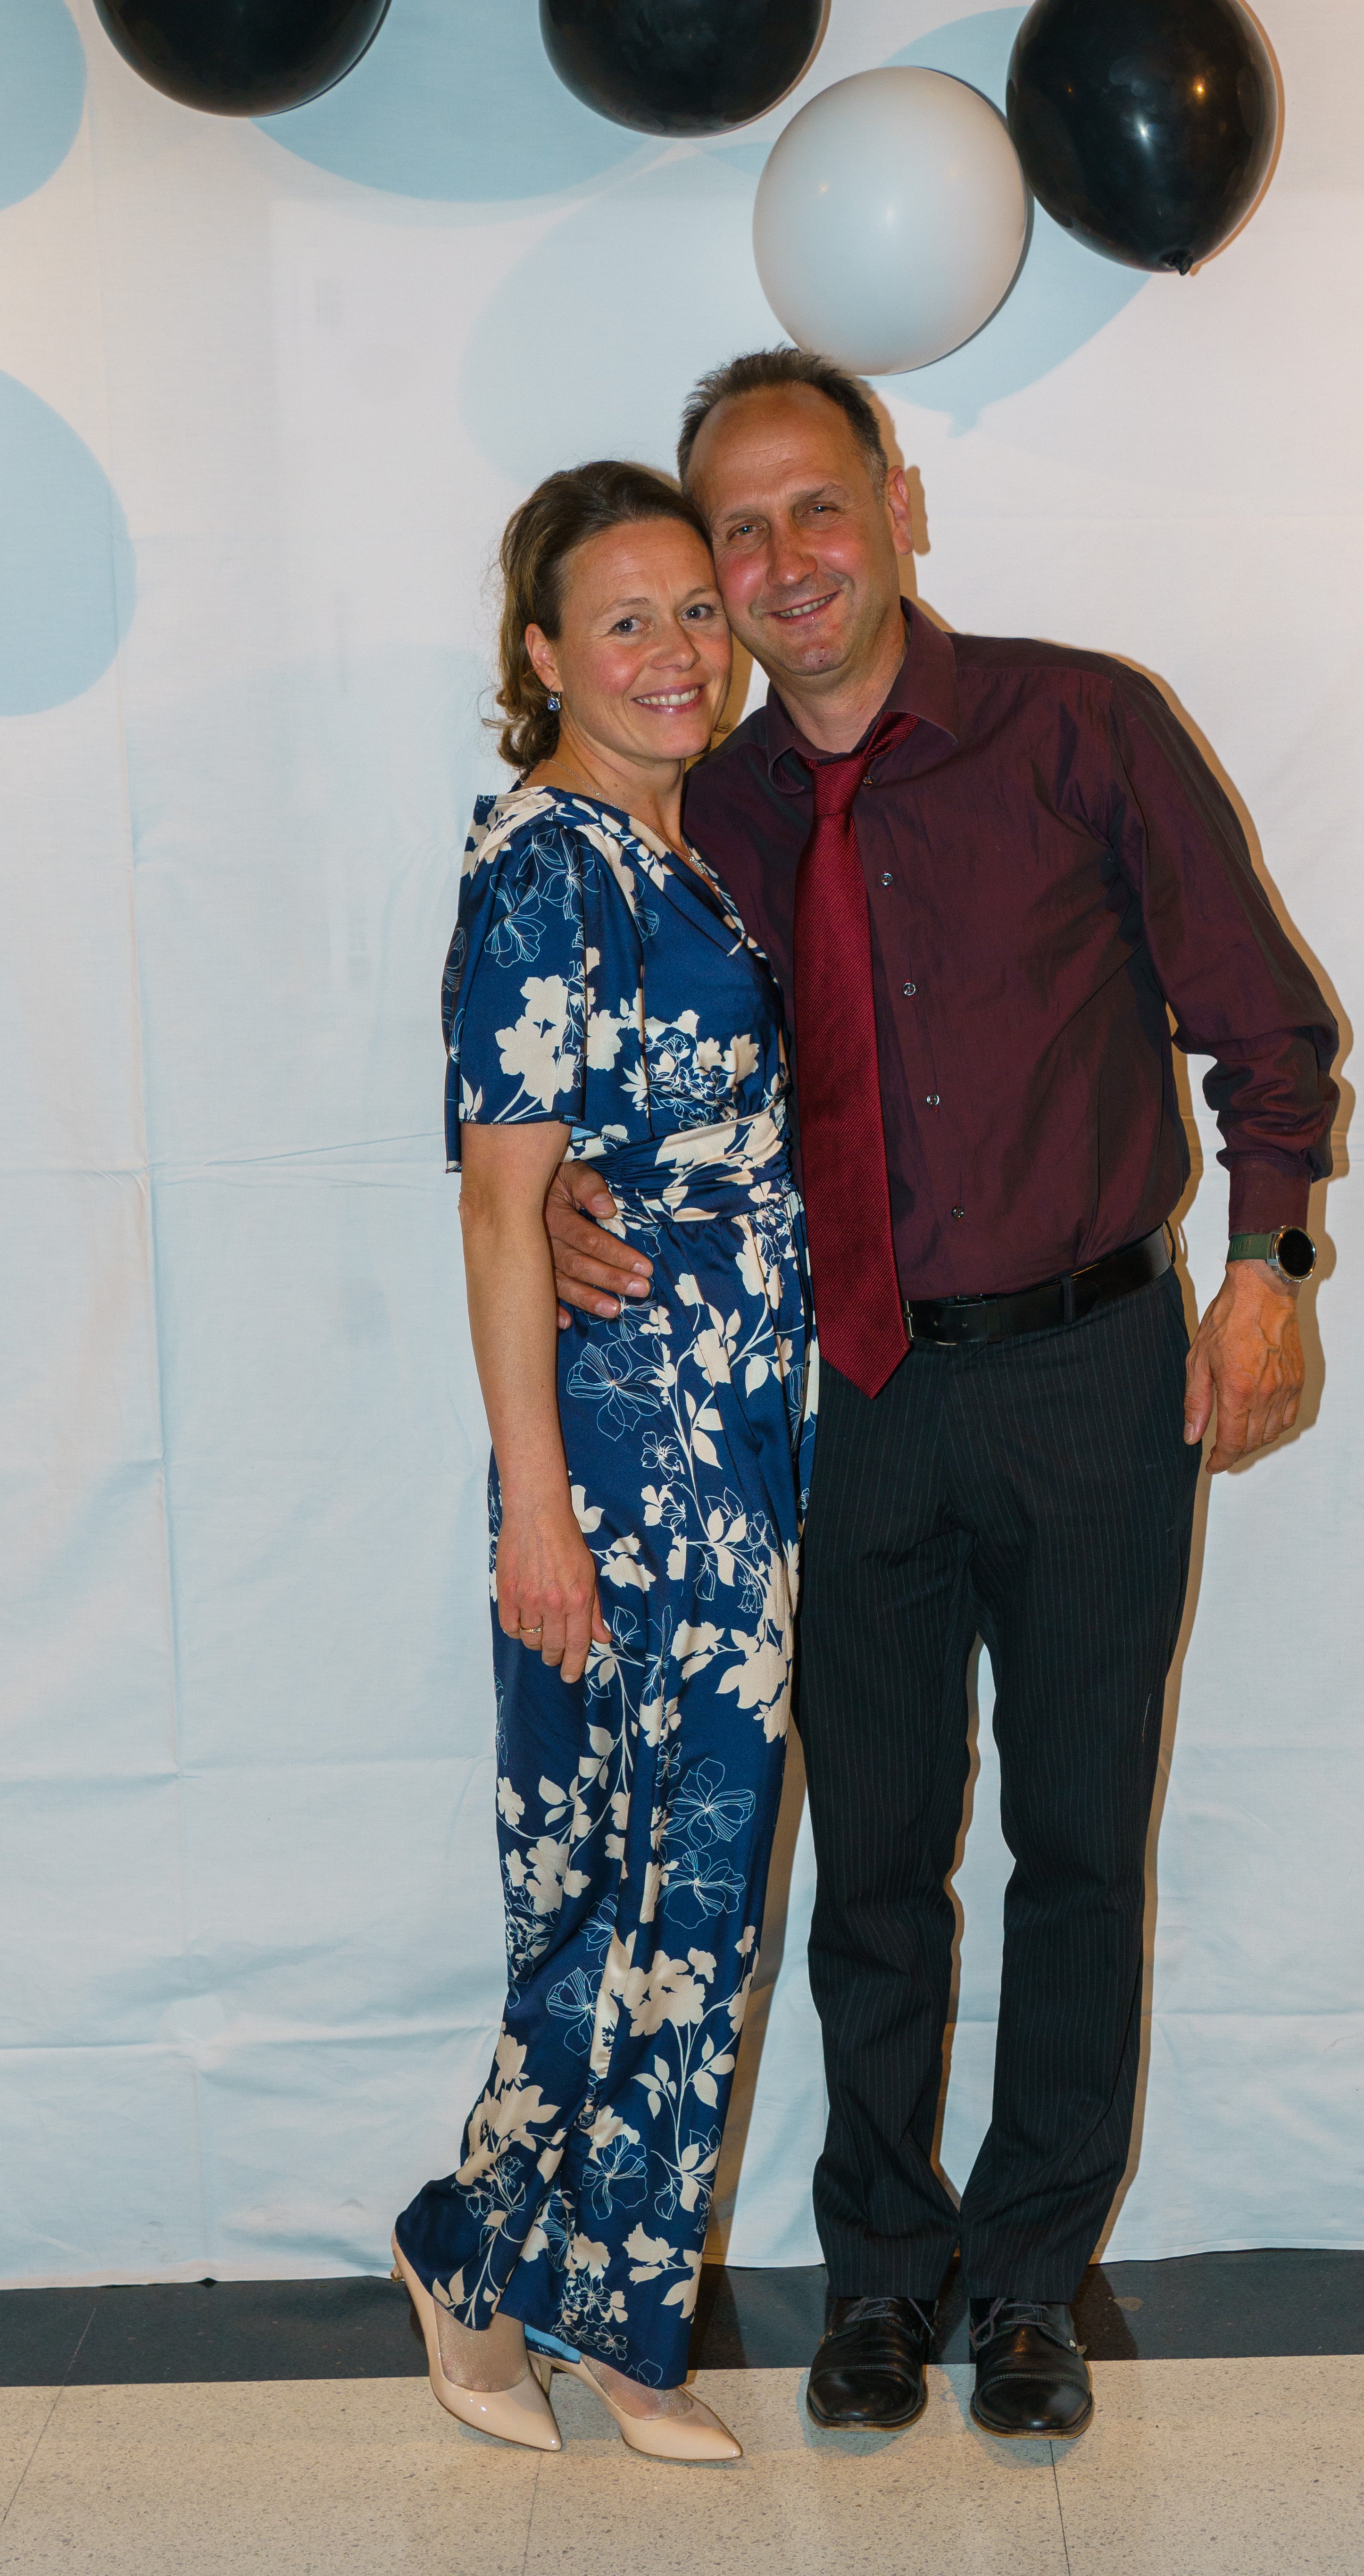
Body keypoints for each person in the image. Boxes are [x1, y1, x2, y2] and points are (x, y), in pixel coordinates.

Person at [547, 351, 1340, 2442]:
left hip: (1094, 1381)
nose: (786, 559)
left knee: (1077, 1845)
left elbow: (1262, 1027)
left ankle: (1032, 2281)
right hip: (848, 1401)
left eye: (817, 506)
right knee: (873, 1864)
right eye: (739, 531)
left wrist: (1266, 1266)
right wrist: (553, 1203)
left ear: (898, 510)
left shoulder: (1082, 726)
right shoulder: (702, 811)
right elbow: (603, 1068)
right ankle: (881, 2278)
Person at [391, 460, 815, 2463]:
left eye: (694, 612)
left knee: (678, 1892)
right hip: (628, 1470)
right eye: (624, 620)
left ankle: (594, 2300)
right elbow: (501, 1210)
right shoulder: (549, 868)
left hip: (727, 1448)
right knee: (627, 1889)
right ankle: (494, 2265)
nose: (674, 652)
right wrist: (539, 1513)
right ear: (542, 654)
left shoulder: (677, 850)